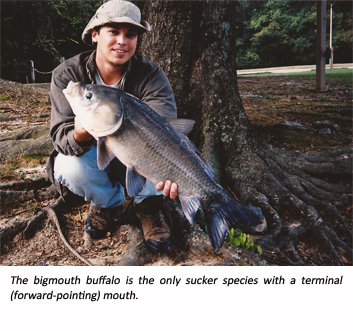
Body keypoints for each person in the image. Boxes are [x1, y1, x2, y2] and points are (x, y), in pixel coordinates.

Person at [46, 0, 178, 252]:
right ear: (95, 35)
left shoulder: (151, 75)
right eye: (113, 32)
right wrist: (80, 133)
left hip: (141, 153)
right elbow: (60, 138)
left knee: (164, 157)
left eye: (130, 35)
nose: (122, 41)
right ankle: (109, 203)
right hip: (93, 154)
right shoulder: (68, 76)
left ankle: (147, 204)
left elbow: (165, 131)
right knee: (67, 166)